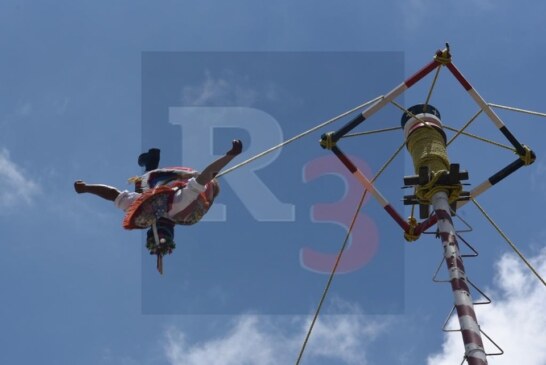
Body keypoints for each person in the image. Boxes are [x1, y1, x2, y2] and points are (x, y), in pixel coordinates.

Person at [74, 140, 242, 268]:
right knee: (150, 189)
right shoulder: (181, 205)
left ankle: (150, 161)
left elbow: (113, 195)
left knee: (144, 188)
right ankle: (151, 161)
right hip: (173, 188)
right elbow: (206, 176)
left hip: (159, 190)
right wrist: (229, 156)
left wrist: (87, 188)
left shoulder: (143, 210)